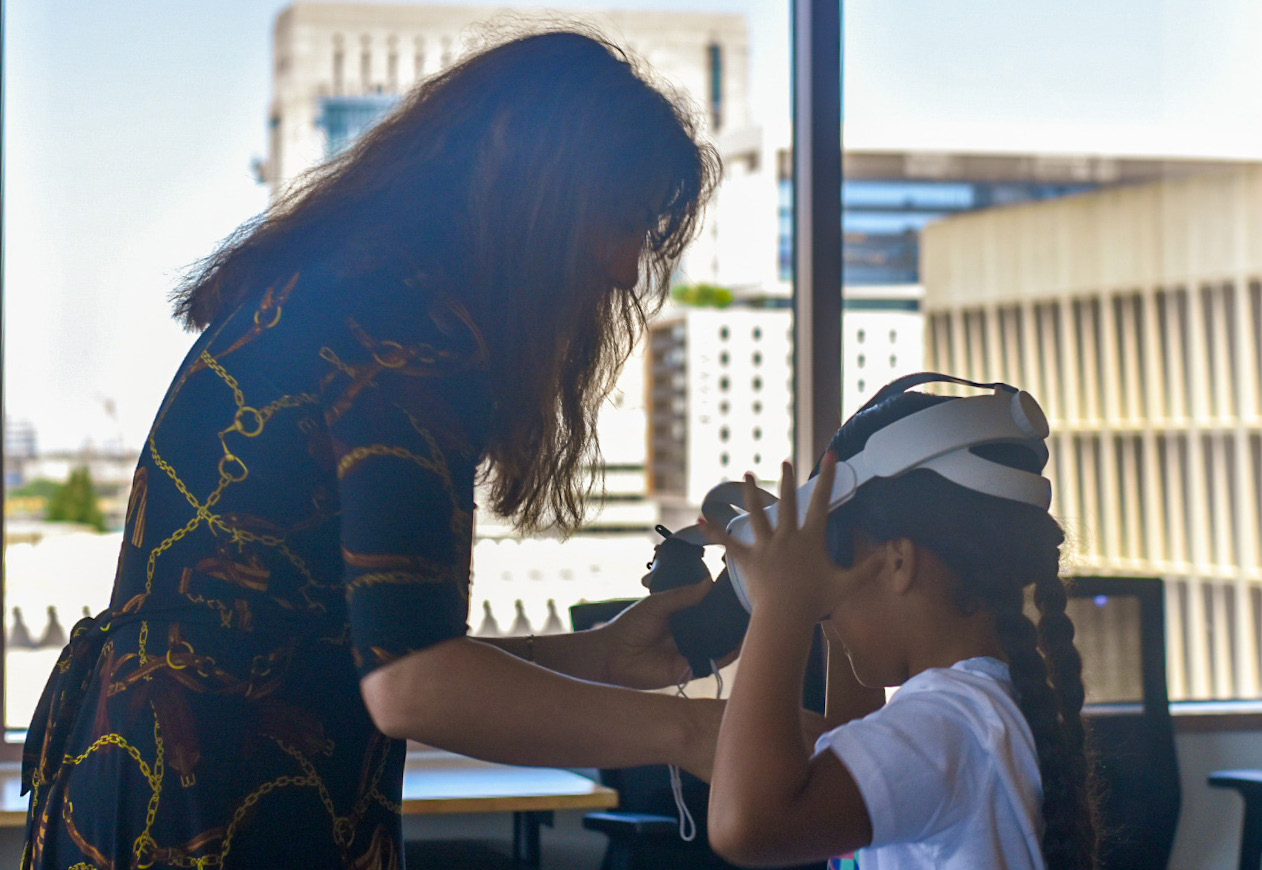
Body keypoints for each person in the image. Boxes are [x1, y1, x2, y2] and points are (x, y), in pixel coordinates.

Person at [21, 29, 728, 870]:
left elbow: (375, 649)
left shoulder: (347, 288)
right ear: (527, 181)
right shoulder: (404, 331)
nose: (621, 268)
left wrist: (607, 655)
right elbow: (413, 687)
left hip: (158, 781)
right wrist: (696, 732)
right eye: (618, 219)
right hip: (218, 804)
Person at [704, 387, 1099, 869]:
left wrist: (782, 607)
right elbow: (852, 743)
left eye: (843, 559)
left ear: (898, 561)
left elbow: (746, 826)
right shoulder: (979, 713)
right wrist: (820, 589)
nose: (830, 606)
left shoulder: (944, 726)